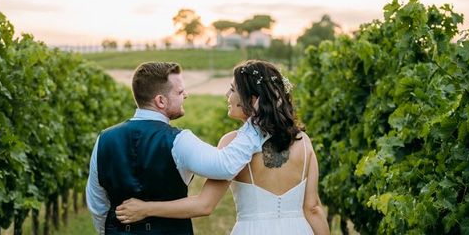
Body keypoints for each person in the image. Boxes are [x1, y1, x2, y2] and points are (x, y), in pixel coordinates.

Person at [115, 60, 330, 235]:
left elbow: (204, 205)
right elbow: (312, 208)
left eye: (232, 90)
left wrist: (146, 208)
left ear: (252, 99)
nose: (227, 96)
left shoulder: (232, 143)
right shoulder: (303, 141)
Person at [86, 61, 267, 234]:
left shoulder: (104, 139)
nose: (186, 95)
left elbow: (97, 204)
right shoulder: (179, 140)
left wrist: (112, 231)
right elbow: (225, 166)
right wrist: (255, 123)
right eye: (180, 92)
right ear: (161, 101)